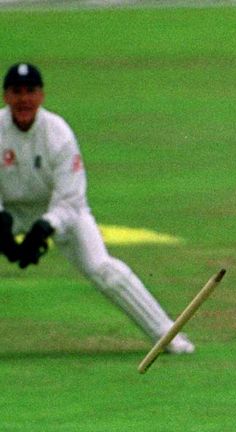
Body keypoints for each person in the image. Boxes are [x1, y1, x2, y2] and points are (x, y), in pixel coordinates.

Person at [0, 63, 193, 354]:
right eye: (17, 92)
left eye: (30, 91)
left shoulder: (58, 133)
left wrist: (44, 228)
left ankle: (169, 337)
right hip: (10, 212)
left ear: (41, 95)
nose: (23, 99)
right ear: (6, 96)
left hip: (60, 212)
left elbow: (70, 199)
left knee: (102, 268)